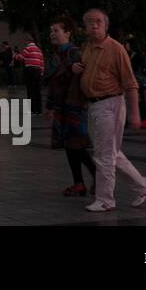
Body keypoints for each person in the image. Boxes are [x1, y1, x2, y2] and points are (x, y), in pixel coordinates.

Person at [76, 8, 146, 213]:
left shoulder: (116, 49)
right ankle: (142, 185)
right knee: (111, 153)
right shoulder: (87, 47)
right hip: (93, 105)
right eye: (90, 22)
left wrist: (136, 114)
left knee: (104, 155)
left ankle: (105, 200)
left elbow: (131, 84)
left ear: (106, 25)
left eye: (98, 21)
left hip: (110, 104)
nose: (94, 25)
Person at [44, 16, 95, 197]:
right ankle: (79, 183)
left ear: (67, 33)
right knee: (69, 145)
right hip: (60, 106)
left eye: (56, 30)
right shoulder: (55, 55)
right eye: (51, 31)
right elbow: (52, 82)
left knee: (77, 145)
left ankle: (96, 175)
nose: (52, 34)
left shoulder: (75, 53)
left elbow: (85, 77)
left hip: (74, 105)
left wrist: (72, 68)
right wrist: (50, 106)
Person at [20, 38, 45, 115]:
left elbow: (20, 57)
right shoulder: (39, 50)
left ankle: (32, 110)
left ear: (28, 42)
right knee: (37, 91)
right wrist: (42, 72)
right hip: (38, 71)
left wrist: (15, 56)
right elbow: (42, 62)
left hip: (30, 70)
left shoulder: (28, 49)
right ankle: (39, 110)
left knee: (30, 90)